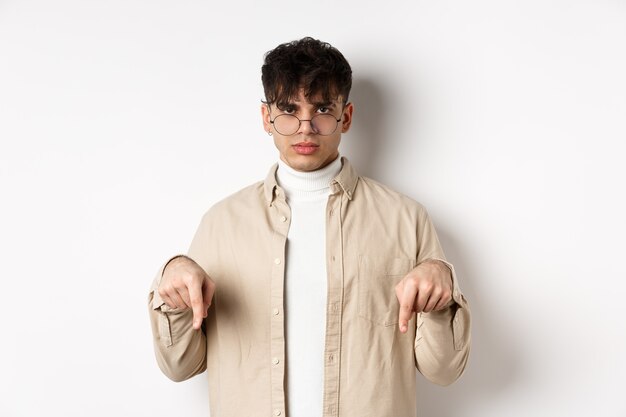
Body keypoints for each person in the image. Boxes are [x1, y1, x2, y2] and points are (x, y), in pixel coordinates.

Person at [147, 36, 471, 417]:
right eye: (288, 110)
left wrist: (441, 290)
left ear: (345, 117)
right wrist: (171, 285)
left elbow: (444, 370)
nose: (305, 128)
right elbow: (179, 366)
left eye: (322, 109)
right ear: (267, 118)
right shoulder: (221, 223)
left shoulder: (406, 219)